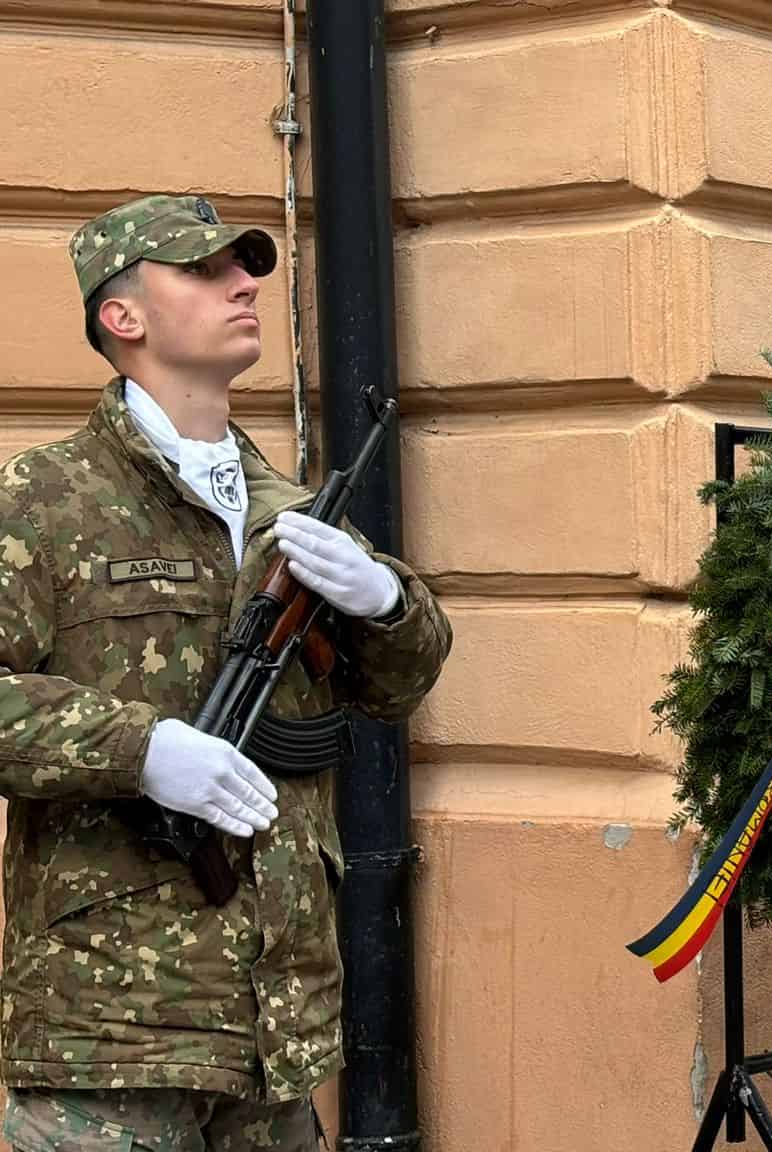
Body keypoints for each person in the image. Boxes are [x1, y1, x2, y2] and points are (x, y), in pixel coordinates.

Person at [0, 195, 452, 1150]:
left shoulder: (293, 509)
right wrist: (141, 749)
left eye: (244, 268)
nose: (246, 283)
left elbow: (399, 686)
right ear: (122, 317)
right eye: (203, 271)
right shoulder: (44, 498)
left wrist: (386, 604)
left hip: (276, 1032)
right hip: (108, 1032)